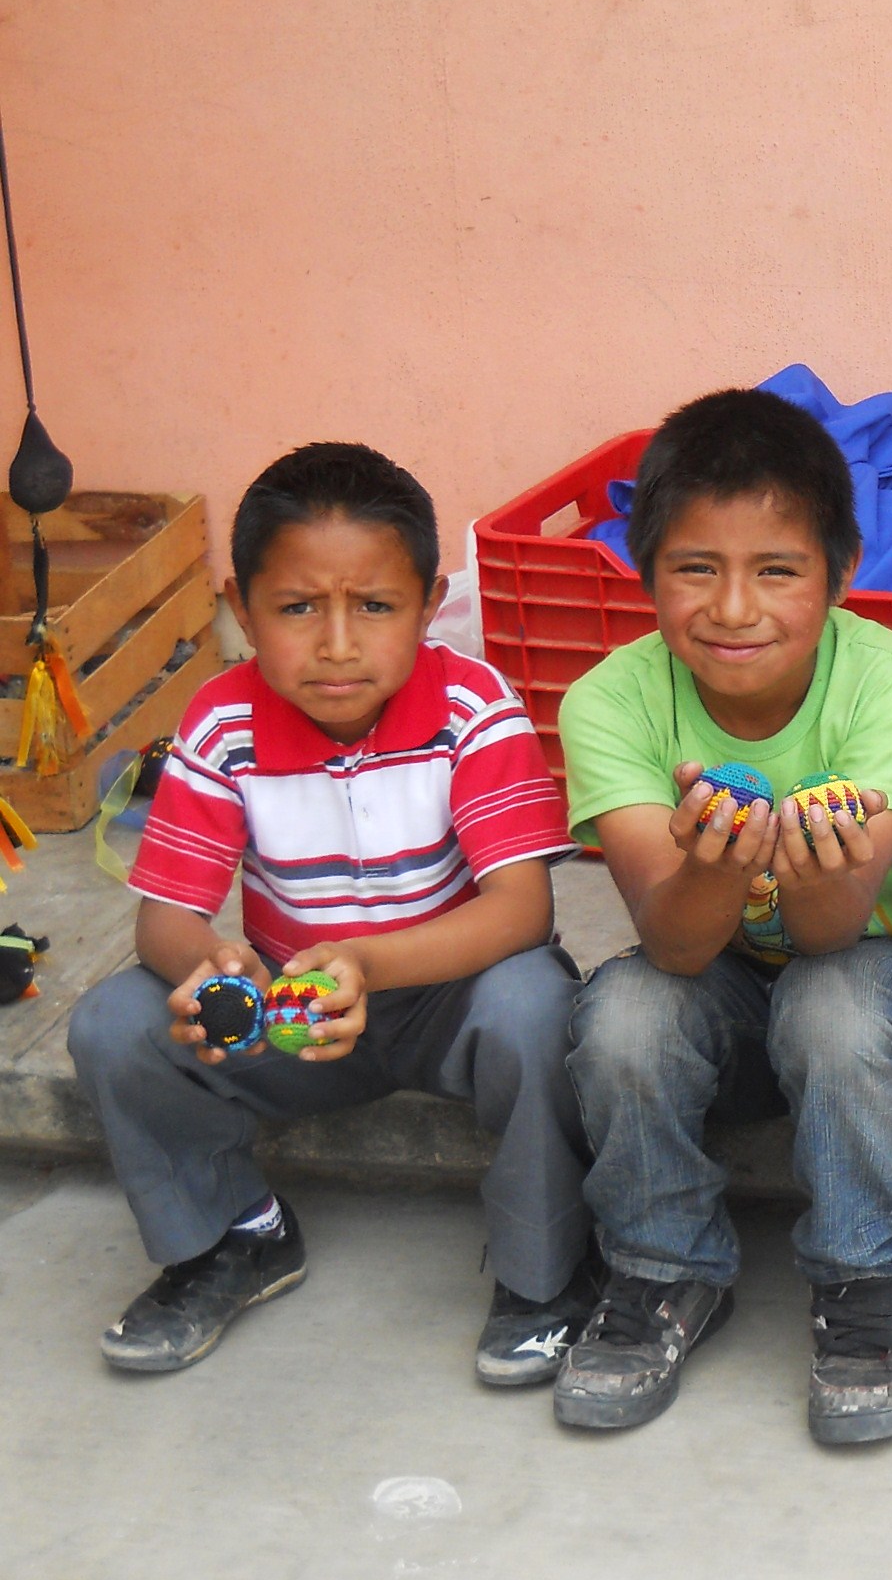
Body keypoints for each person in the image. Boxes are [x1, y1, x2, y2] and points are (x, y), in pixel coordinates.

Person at [67, 444, 587, 1383]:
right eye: (298, 607)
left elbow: (521, 909)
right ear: (241, 604)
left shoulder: (474, 708)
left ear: (430, 605)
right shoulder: (221, 724)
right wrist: (213, 966)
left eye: (375, 606)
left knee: (536, 1005)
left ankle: (543, 1274)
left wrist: (368, 963)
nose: (337, 642)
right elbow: (166, 917)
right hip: (289, 1009)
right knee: (115, 1023)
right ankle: (236, 1235)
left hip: (447, 1002)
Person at [553, 390, 892, 1443]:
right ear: (643, 573)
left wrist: (804, 863)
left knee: (836, 996)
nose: (734, 609)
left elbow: (830, 933)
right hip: (707, 978)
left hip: (859, 967)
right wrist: (718, 861)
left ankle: (872, 1276)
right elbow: (674, 943)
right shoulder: (607, 701)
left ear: (841, 576)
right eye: (695, 569)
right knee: (625, 1009)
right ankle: (660, 1266)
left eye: (777, 571)